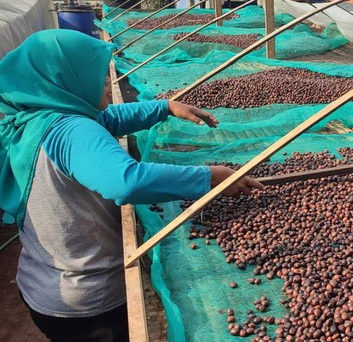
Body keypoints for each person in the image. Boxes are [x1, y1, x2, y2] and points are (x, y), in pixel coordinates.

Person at [0, 29, 264, 342]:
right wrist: (208, 176)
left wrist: (164, 107)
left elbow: (106, 119)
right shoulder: (70, 131)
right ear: (70, 78)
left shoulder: (36, 116)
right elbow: (126, 181)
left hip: (42, 285)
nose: (108, 87)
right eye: (98, 77)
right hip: (89, 303)